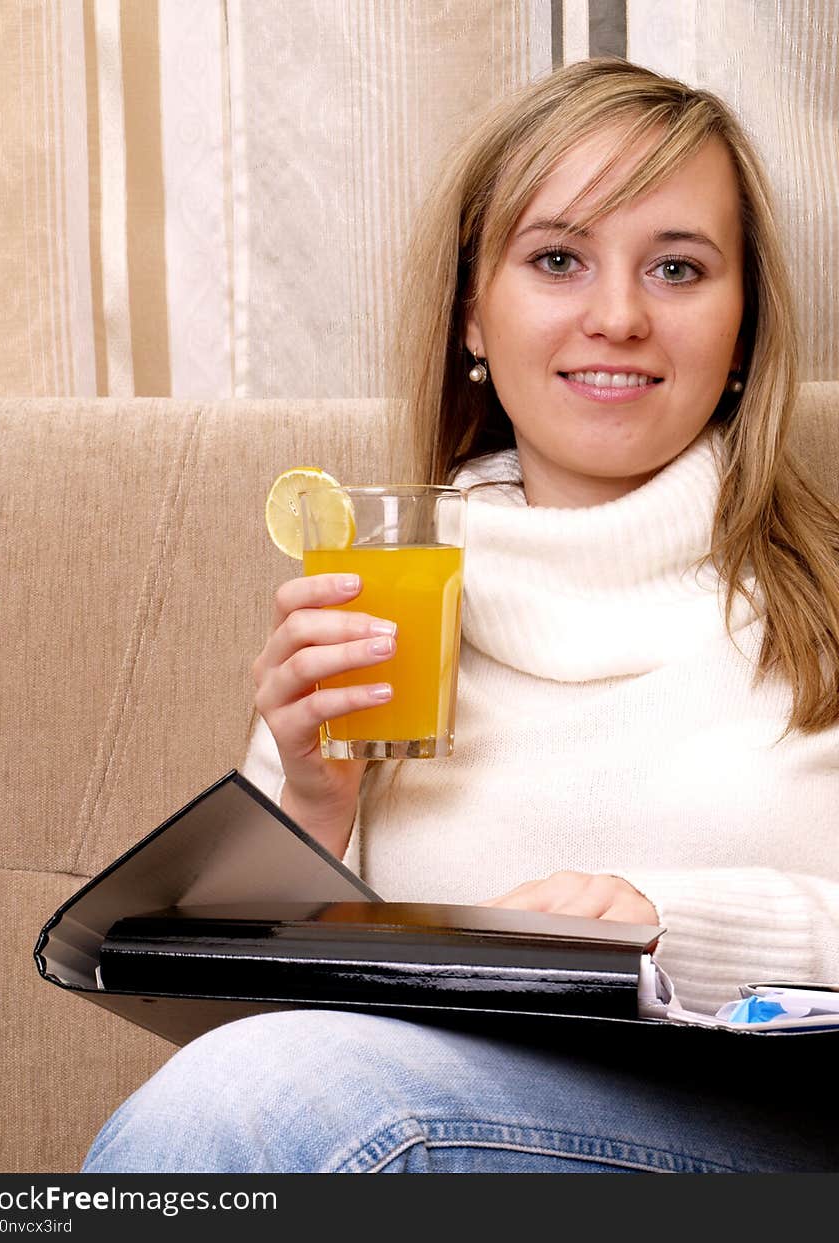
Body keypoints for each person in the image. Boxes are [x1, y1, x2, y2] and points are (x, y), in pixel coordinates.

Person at [82, 57, 839, 1173]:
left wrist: (663, 921)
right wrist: (311, 801)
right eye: (557, 260)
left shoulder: (817, 596)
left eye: (676, 267)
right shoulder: (378, 598)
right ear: (472, 318)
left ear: (743, 331)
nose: (619, 315)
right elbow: (240, 1030)